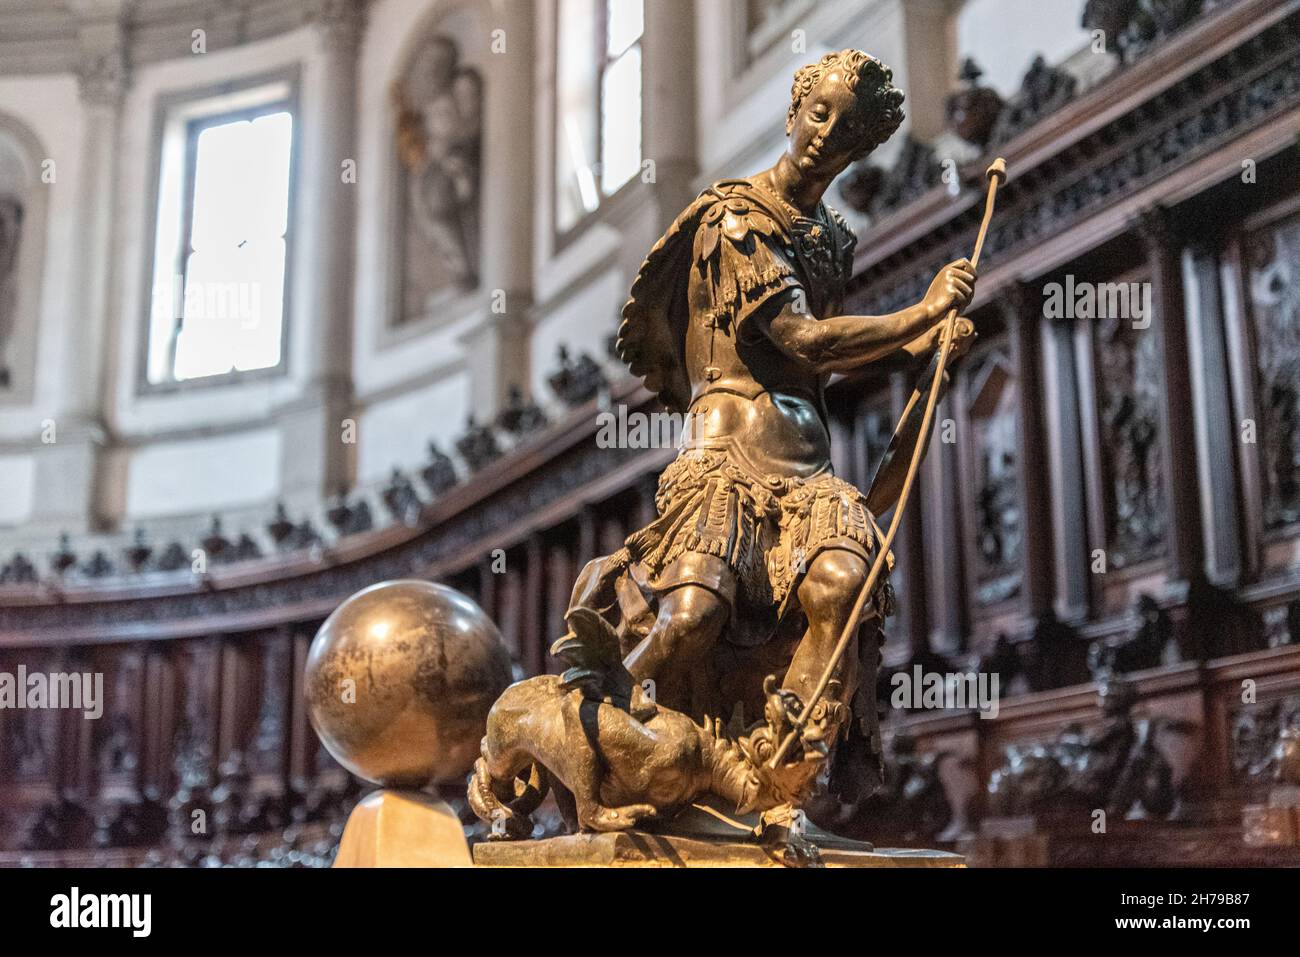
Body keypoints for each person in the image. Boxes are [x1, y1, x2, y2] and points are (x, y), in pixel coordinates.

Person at [572, 49, 977, 824]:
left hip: (808, 470)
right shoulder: (736, 219)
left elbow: (820, 372)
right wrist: (920, 315)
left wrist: (924, 350)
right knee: (691, 616)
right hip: (725, 461)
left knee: (843, 587)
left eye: (847, 126)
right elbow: (803, 340)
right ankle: (592, 730)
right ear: (793, 113)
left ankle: (782, 771)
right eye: (818, 112)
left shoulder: (831, 239)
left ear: (861, 148)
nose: (827, 132)